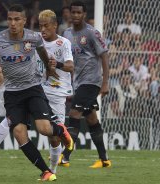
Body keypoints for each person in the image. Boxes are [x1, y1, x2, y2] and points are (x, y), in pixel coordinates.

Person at [0, 4, 73, 181]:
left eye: (17, 19)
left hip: (33, 89)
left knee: (44, 129)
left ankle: (62, 131)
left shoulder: (33, 37)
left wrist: (50, 70)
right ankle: (46, 172)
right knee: (19, 134)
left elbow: (43, 54)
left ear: (24, 21)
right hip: (12, 94)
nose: (13, 23)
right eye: (10, 19)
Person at [59, 1, 111, 168]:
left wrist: (105, 83)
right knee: (91, 118)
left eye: (78, 13)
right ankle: (104, 160)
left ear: (84, 14)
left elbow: (104, 56)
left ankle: (65, 156)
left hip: (92, 81)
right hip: (78, 82)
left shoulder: (91, 33)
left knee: (74, 114)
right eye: (72, 12)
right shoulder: (66, 34)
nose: (75, 15)